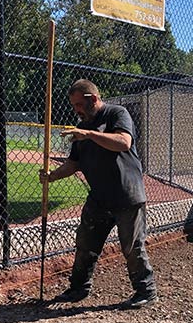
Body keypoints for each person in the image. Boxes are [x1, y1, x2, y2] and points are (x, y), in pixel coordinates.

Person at [39, 79, 157, 309]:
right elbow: (73, 164)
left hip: (126, 194)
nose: (76, 110)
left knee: (132, 246)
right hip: (99, 197)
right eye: (73, 106)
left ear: (92, 99)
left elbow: (124, 142)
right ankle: (78, 288)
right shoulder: (81, 128)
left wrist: (89, 134)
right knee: (85, 243)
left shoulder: (116, 113)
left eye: (78, 104)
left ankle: (146, 291)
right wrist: (51, 176)